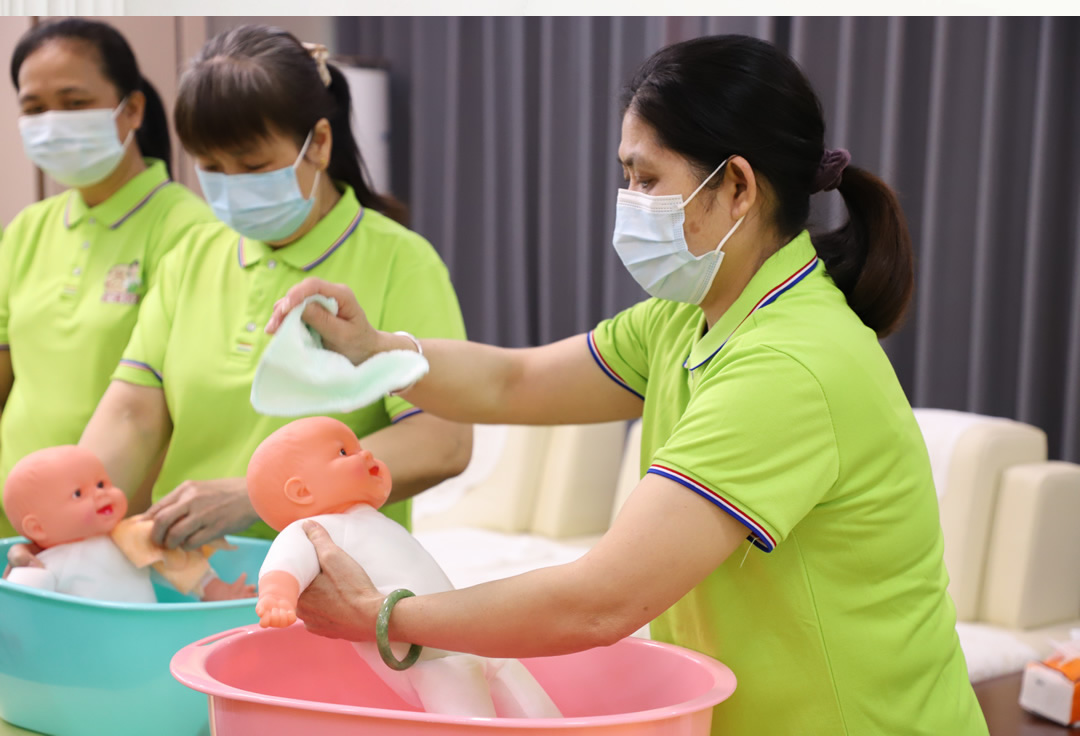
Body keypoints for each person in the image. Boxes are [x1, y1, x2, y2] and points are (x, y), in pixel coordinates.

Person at [264, 35, 988, 735]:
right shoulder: (689, 318)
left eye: (646, 179)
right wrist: (374, 350)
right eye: (626, 177)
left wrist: (383, 615)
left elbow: (600, 601)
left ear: (737, 186)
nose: (628, 199)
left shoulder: (789, 365)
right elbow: (515, 381)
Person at [25, 24, 469, 555]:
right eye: (212, 168)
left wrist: (261, 494)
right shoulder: (192, 255)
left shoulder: (400, 261)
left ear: (319, 143)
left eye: (254, 165)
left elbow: (441, 441)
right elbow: (131, 415)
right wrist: (64, 524)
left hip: (336, 574)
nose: (233, 185)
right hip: (192, 572)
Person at [0, 19, 214, 538]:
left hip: (118, 525)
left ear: (132, 109)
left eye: (74, 103)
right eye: (34, 108)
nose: (53, 122)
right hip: (19, 524)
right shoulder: (29, 228)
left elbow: (180, 405)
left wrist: (110, 524)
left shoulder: (190, 231)